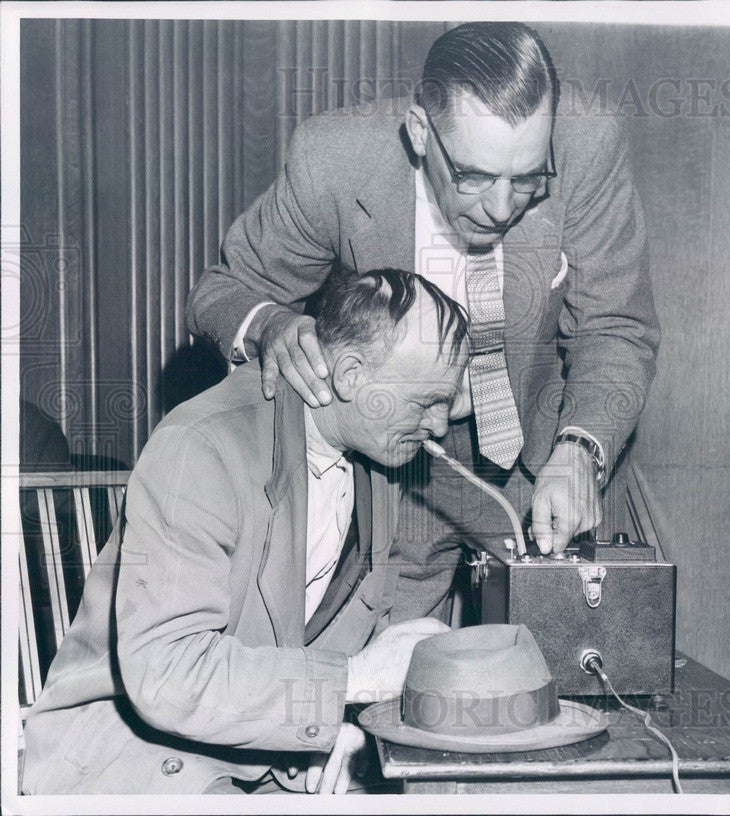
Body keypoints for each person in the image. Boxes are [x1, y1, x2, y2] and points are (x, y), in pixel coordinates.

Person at [187, 21, 660, 621]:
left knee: (565, 686)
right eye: (473, 176)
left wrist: (581, 448)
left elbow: (615, 326)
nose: (500, 208)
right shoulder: (334, 161)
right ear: (419, 133)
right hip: (398, 477)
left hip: (546, 464)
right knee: (388, 689)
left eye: (528, 181)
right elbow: (222, 291)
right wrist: (270, 326)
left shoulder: (588, 147)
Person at [21, 269, 469, 794]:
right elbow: (168, 674)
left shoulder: (381, 459)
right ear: (349, 376)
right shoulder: (202, 445)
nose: (441, 425)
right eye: (425, 403)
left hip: (266, 754)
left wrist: (345, 726)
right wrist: (355, 679)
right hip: (134, 758)